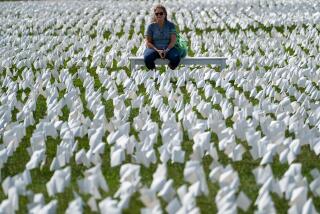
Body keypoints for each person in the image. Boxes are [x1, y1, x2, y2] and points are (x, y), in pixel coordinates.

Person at [144, 4, 181, 70]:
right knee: (147, 58)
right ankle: (154, 73)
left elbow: (173, 41)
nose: (159, 15)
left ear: (165, 14)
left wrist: (166, 50)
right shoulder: (151, 27)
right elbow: (148, 42)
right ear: (154, 15)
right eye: (156, 14)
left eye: (161, 13)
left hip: (168, 48)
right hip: (154, 49)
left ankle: (169, 70)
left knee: (176, 57)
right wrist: (158, 50)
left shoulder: (171, 25)